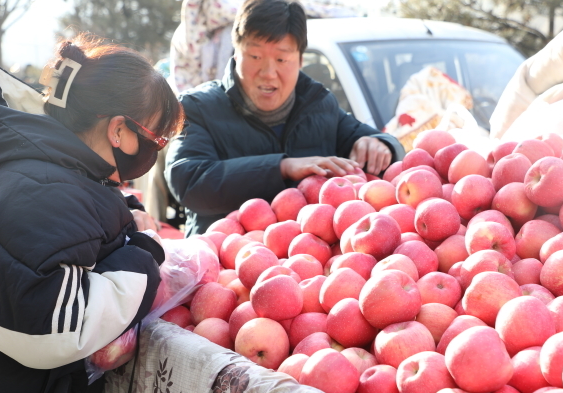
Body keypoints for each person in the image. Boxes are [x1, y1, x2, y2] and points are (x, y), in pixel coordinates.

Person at [0, 34, 184, 393]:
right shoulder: (42, 187)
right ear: (119, 131)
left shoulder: (47, 170)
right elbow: (51, 325)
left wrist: (119, 225)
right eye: (156, 139)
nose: (153, 153)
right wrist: (141, 255)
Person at [166, 0, 404, 237]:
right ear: (236, 53)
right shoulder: (197, 108)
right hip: (222, 254)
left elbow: (375, 142)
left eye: (281, 59)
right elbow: (188, 181)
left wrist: (381, 145)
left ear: (300, 60)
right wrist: (282, 168)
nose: (268, 73)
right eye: (255, 56)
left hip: (308, 256)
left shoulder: (318, 104)